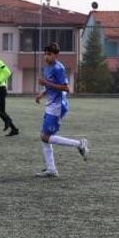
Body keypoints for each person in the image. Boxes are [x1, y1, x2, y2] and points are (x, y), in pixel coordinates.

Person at [35, 43, 90, 177]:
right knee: (44, 137)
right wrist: (42, 94)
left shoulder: (59, 68)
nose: (46, 56)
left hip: (58, 106)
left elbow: (66, 88)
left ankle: (79, 144)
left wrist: (46, 84)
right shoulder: (47, 67)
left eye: (49, 54)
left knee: (45, 137)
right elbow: (51, 86)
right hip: (51, 105)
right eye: (45, 54)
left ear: (55, 55)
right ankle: (51, 169)